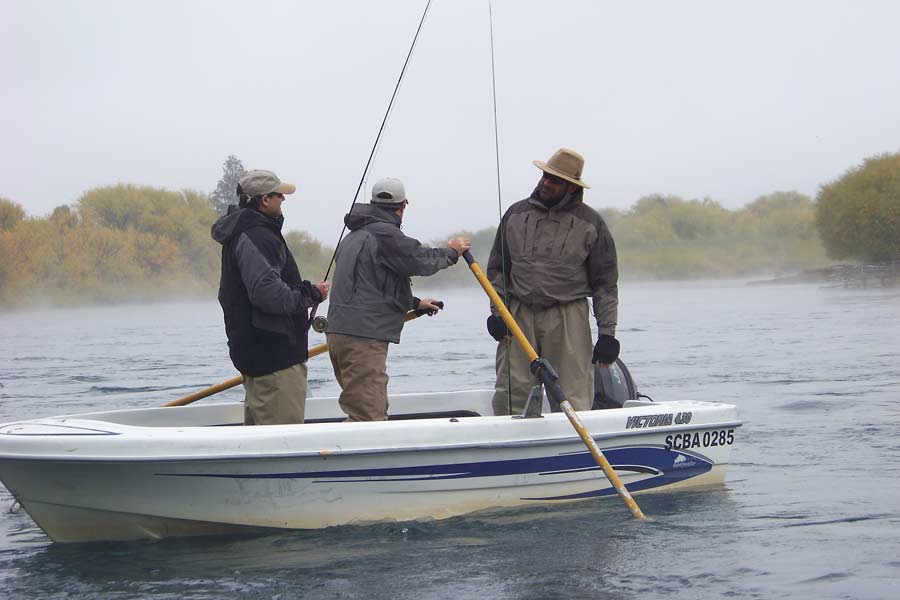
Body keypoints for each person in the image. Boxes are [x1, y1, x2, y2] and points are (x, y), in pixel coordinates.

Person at [486, 148, 619, 415]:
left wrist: (607, 335)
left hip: (568, 316)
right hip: (518, 315)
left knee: (572, 394)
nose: (546, 183)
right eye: (545, 176)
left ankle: (574, 449)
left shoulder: (591, 222)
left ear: (571, 187)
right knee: (512, 393)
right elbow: (497, 270)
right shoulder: (515, 214)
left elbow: (605, 283)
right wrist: (497, 312)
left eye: (555, 180)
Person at [325, 177, 471, 421]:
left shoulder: (352, 236)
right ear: (403, 205)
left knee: (360, 408)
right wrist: (453, 252)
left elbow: (370, 285)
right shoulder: (385, 235)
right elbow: (420, 259)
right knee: (368, 416)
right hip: (363, 338)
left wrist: (414, 303)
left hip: (339, 333)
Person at [211, 169, 330, 425]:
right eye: (279, 196)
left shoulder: (243, 233)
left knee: (259, 441)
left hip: (258, 356)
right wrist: (311, 294)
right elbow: (269, 295)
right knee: (282, 443)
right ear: (264, 199)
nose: (283, 200)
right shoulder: (257, 235)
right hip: (275, 359)